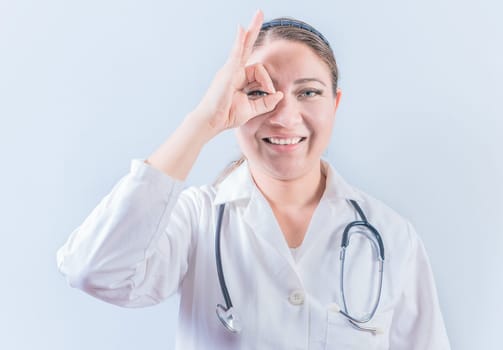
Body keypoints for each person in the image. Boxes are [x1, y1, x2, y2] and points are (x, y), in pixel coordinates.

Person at [57, 10, 451, 349]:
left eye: (309, 92)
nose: (284, 117)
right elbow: (94, 270)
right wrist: (203, 121)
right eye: (260, 92)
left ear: (335, 103)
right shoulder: (198, 220)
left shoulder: (391, 236)